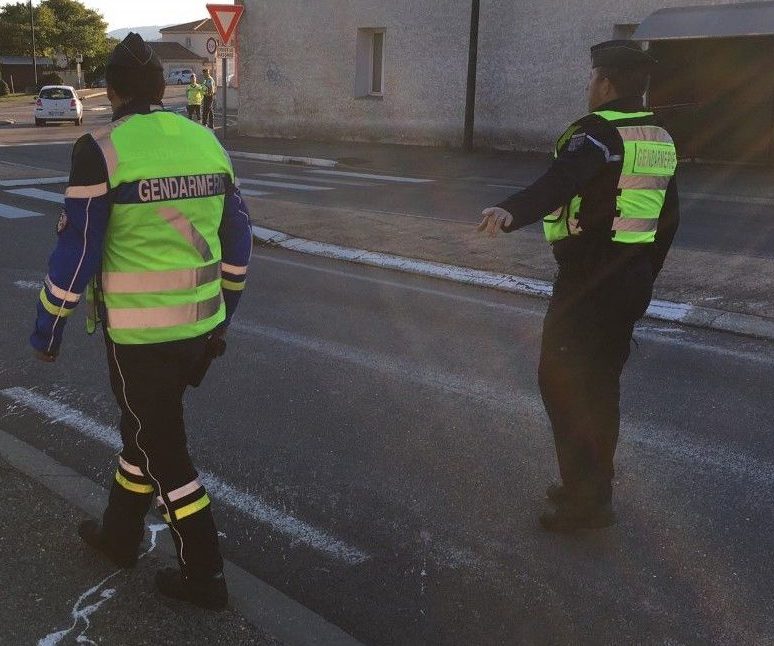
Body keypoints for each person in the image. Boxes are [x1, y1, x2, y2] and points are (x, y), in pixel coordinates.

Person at [29, 33, 253, 608]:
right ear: (162, 89)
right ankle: (119, 535)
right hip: (201, 329)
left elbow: (77, 252)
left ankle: (205, 576)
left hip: (140, 338)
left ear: (112, 91)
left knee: (164, 451)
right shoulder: (207, 142)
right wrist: (224, 313)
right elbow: (239, 240)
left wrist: (48, 327)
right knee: (143, 436)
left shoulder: (100, 150)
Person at [478, 40, 679, 532]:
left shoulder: (596, 134)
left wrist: (512, 211)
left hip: (588, 282)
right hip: (629, 279)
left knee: (563, 383)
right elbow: (668, 219)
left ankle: (583, 502)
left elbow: (561, 180)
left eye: (592, 79)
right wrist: (642, 278)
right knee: (600, 387)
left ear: (606, 83)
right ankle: (592, 487)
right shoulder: (657, 135)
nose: (589, 87)